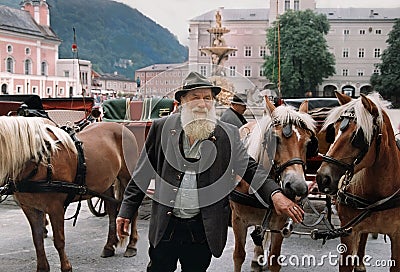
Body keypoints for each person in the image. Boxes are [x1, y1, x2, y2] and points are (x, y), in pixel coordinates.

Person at [116, 71, 304, 272]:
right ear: (181, 102)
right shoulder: (161, 128)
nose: (202, 103)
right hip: (166, 226)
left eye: (207, 98)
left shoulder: (227, 134)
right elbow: (143, 173)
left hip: (202, 229)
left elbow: (249, 168)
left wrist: (276, 195)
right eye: (195, 97)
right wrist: (126, 211)